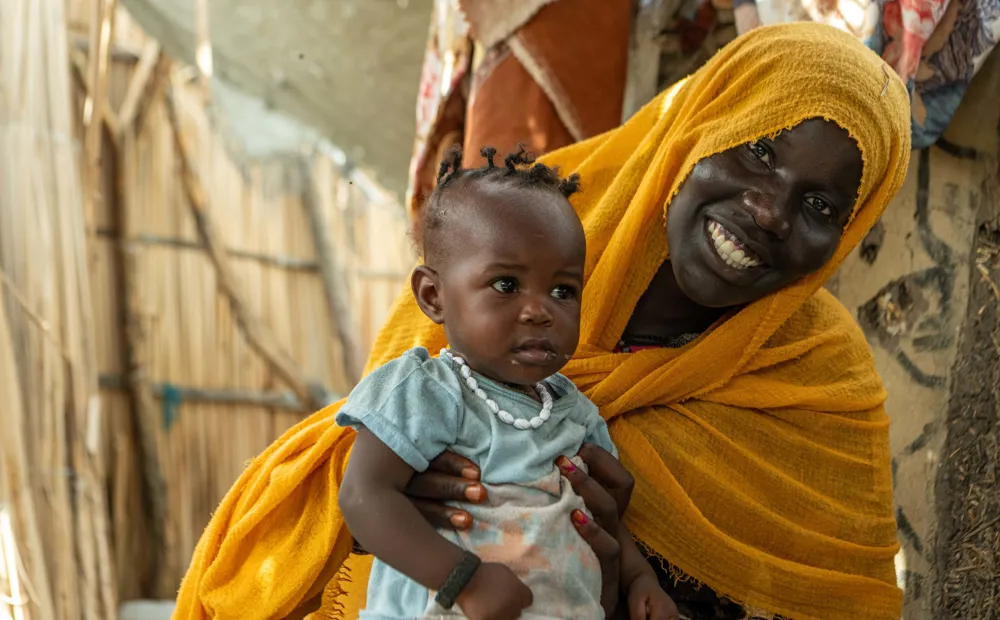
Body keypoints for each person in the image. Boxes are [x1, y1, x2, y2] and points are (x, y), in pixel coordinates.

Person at [172, 22, 911, 620]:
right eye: (758, 150)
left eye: (821, 207)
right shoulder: (528, 235)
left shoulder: (821, 384)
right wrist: (420, 489)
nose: (768, 212)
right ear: (703, 123)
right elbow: (359, 468)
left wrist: (631, 558)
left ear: (850, 232)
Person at [336, 147, 675, 620]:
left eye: (563, 291)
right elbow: (364, 496)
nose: (540, 310)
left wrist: (641, 581)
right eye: (506, 285)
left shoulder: (574, 413)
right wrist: (466, 580)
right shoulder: (428, 390)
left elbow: (598, 521)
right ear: (433, 296)